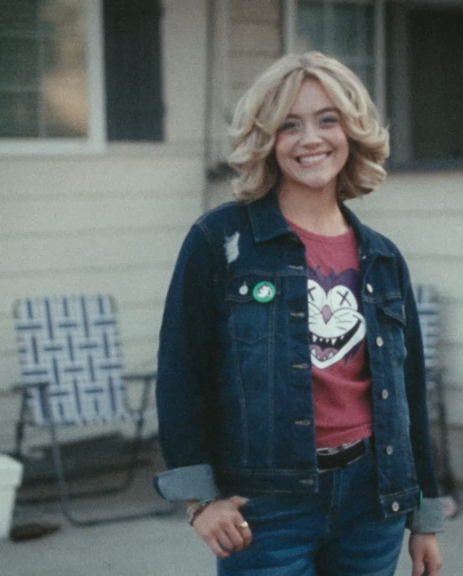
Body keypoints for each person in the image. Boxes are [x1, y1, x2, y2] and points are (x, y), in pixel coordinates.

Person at [153, 51, 445, 576]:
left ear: (352, 131)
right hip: (265, 505)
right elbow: (181, 374)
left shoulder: (383, 257)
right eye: (289, 125)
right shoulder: (220, 241)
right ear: (267, 140)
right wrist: (200, 500)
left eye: (327, 120)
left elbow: (409, 393)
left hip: (373, 502)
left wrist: (423, 515)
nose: (310, 139)